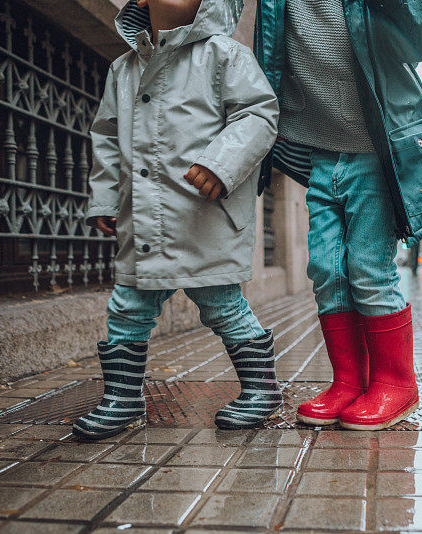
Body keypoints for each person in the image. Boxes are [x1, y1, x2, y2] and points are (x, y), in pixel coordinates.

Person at [73, 0, 280, 440]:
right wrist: (107, 199)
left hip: (202, 215)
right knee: (127, 308)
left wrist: (221, 164)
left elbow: (259, 115)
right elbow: (107, 138)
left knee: (223, 306)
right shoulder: (122, 69)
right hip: (143, 221)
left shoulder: (225, 54)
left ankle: (261, 390)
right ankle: (122, 399)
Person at [255, 0, 422, 430]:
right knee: (325, 267)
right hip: (319, 153)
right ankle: (349, 381)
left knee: (368, 268)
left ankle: (397, 383)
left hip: (374, 153)